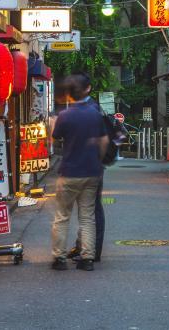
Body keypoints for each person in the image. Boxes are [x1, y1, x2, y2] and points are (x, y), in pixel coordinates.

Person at [51, 73, 108, 271]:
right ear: (87, 89)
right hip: (91, 172)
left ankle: (59, 258)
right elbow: (104, 141)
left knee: (62, 215)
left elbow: (56, 137)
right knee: (87, 217)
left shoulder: (65, 116)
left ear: (69, 93)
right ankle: (88, 259)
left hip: (69, 171)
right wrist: (97, 160)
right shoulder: (95, 112)